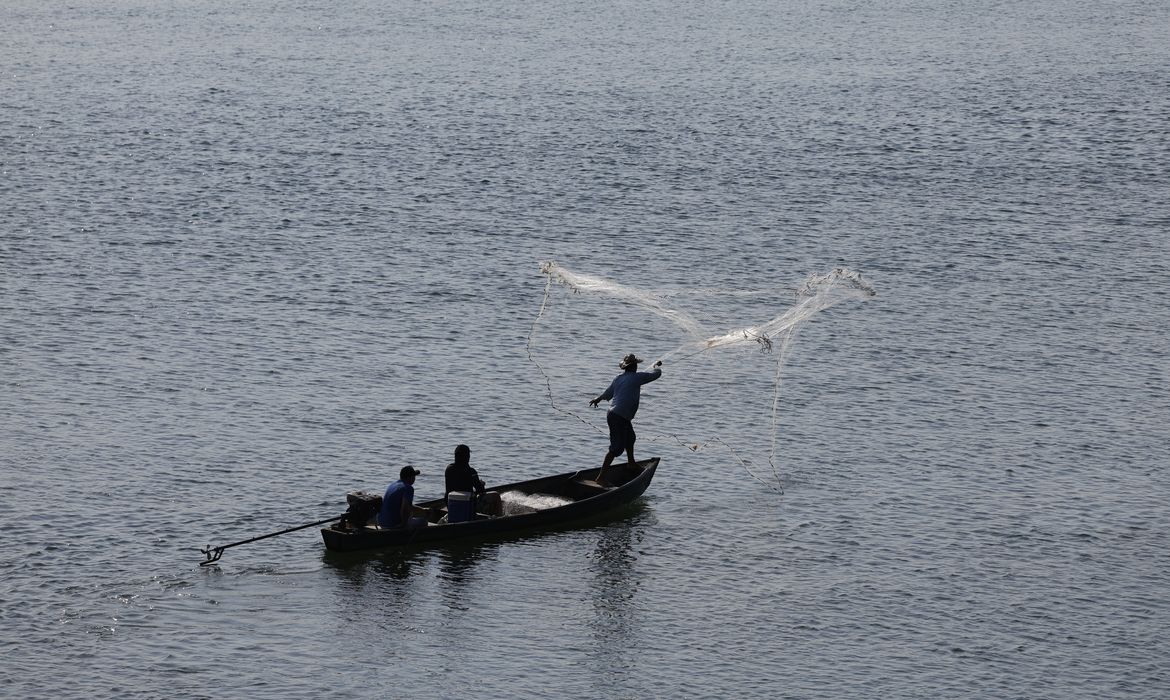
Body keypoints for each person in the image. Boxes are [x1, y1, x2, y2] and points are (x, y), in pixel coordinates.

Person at [589, 353, 662, 484]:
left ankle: (631, 463)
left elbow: (608, 393)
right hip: (618, 416)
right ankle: (601, 478)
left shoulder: (618, 378)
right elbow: (656, 375)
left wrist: (598, 399)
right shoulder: (637, 377)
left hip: (616, 415)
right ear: (634, 367)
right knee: (616, 448)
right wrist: (657, 367)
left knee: (630, 438)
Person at [444, 444, 502, 517]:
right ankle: (499, 518)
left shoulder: (448, 469)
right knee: (495, 495)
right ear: (467, 457)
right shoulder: (471, 472)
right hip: (467, 505)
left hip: (451, 505)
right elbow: (481, 491)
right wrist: (481, 484)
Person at [379, 465, 429, 530]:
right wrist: (404, 526)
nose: (414, 478)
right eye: (413, 476)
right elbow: (405, 509)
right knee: (424, 522)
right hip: (392, 525)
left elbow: (408, 505)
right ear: (409, 477)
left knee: (411, 516)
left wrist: (423, 510)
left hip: (381, 522)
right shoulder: (408, 488)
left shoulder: (393, 484)